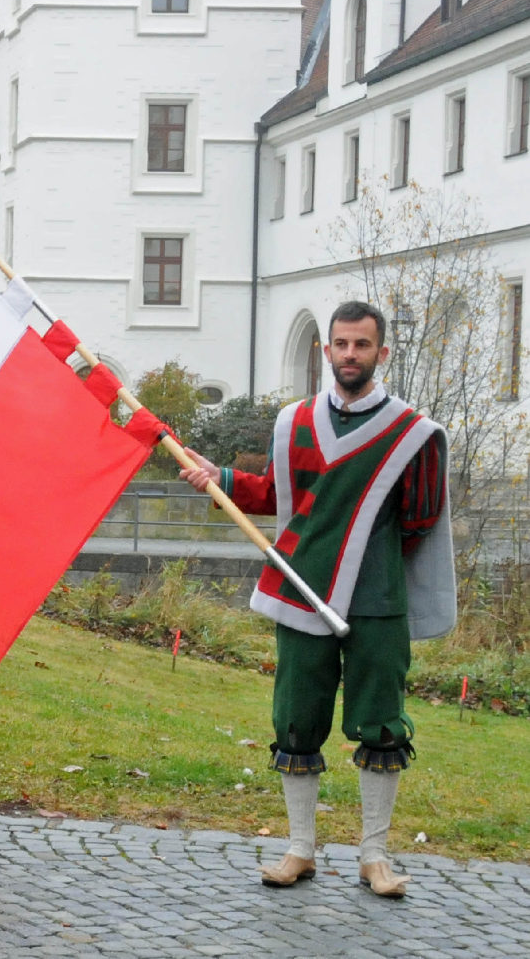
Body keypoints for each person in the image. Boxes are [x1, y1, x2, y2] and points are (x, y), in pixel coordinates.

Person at [180, 300, 451, 898]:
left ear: (382, 352)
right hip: (300, 593)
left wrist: (365, 563)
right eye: (341, 345)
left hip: (376, 600)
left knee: (380, 722)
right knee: (296, 719)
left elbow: (421, 517)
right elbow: (280, 497)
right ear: (325, 351)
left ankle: (374, 856)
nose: (350, 354)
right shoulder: (294, 422)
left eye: (362, 345)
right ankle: (300, 849)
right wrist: (219, 478)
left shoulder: (413, 431)